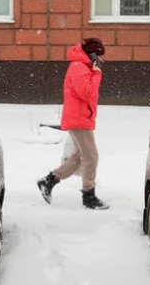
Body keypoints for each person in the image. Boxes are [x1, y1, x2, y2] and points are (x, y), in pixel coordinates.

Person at [37, 38, 109, 210]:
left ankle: (48, 181)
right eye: (99, 56)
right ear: (92, 54)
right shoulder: (79, 67)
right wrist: (97, 72)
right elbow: (87, 93)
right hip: (79, 120)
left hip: (81, 118)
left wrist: (94, 71)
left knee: (78, 158)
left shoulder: (82, 67)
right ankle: (89, 196)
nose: (101, 60)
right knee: (91, 156)